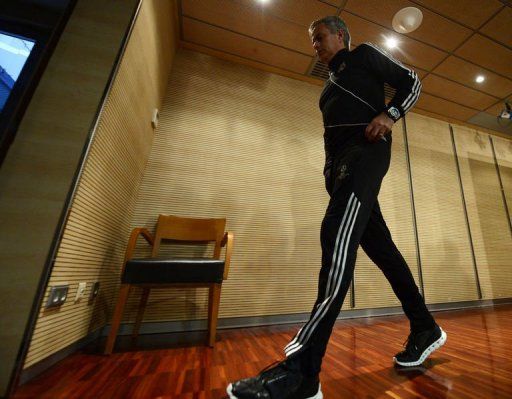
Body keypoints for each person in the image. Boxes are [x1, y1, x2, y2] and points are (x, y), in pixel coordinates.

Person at [227, 16, 446, 399]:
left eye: (320, 37)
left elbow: (413, 82)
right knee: (384, 252)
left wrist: (389, 115)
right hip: (341, 170)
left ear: (341, 36)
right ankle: (424, 325)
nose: (315, 44)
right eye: (312, 40)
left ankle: (303, 372)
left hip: (367, 153)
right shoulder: (327, 88)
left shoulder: (362, 55)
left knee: (335, 239)